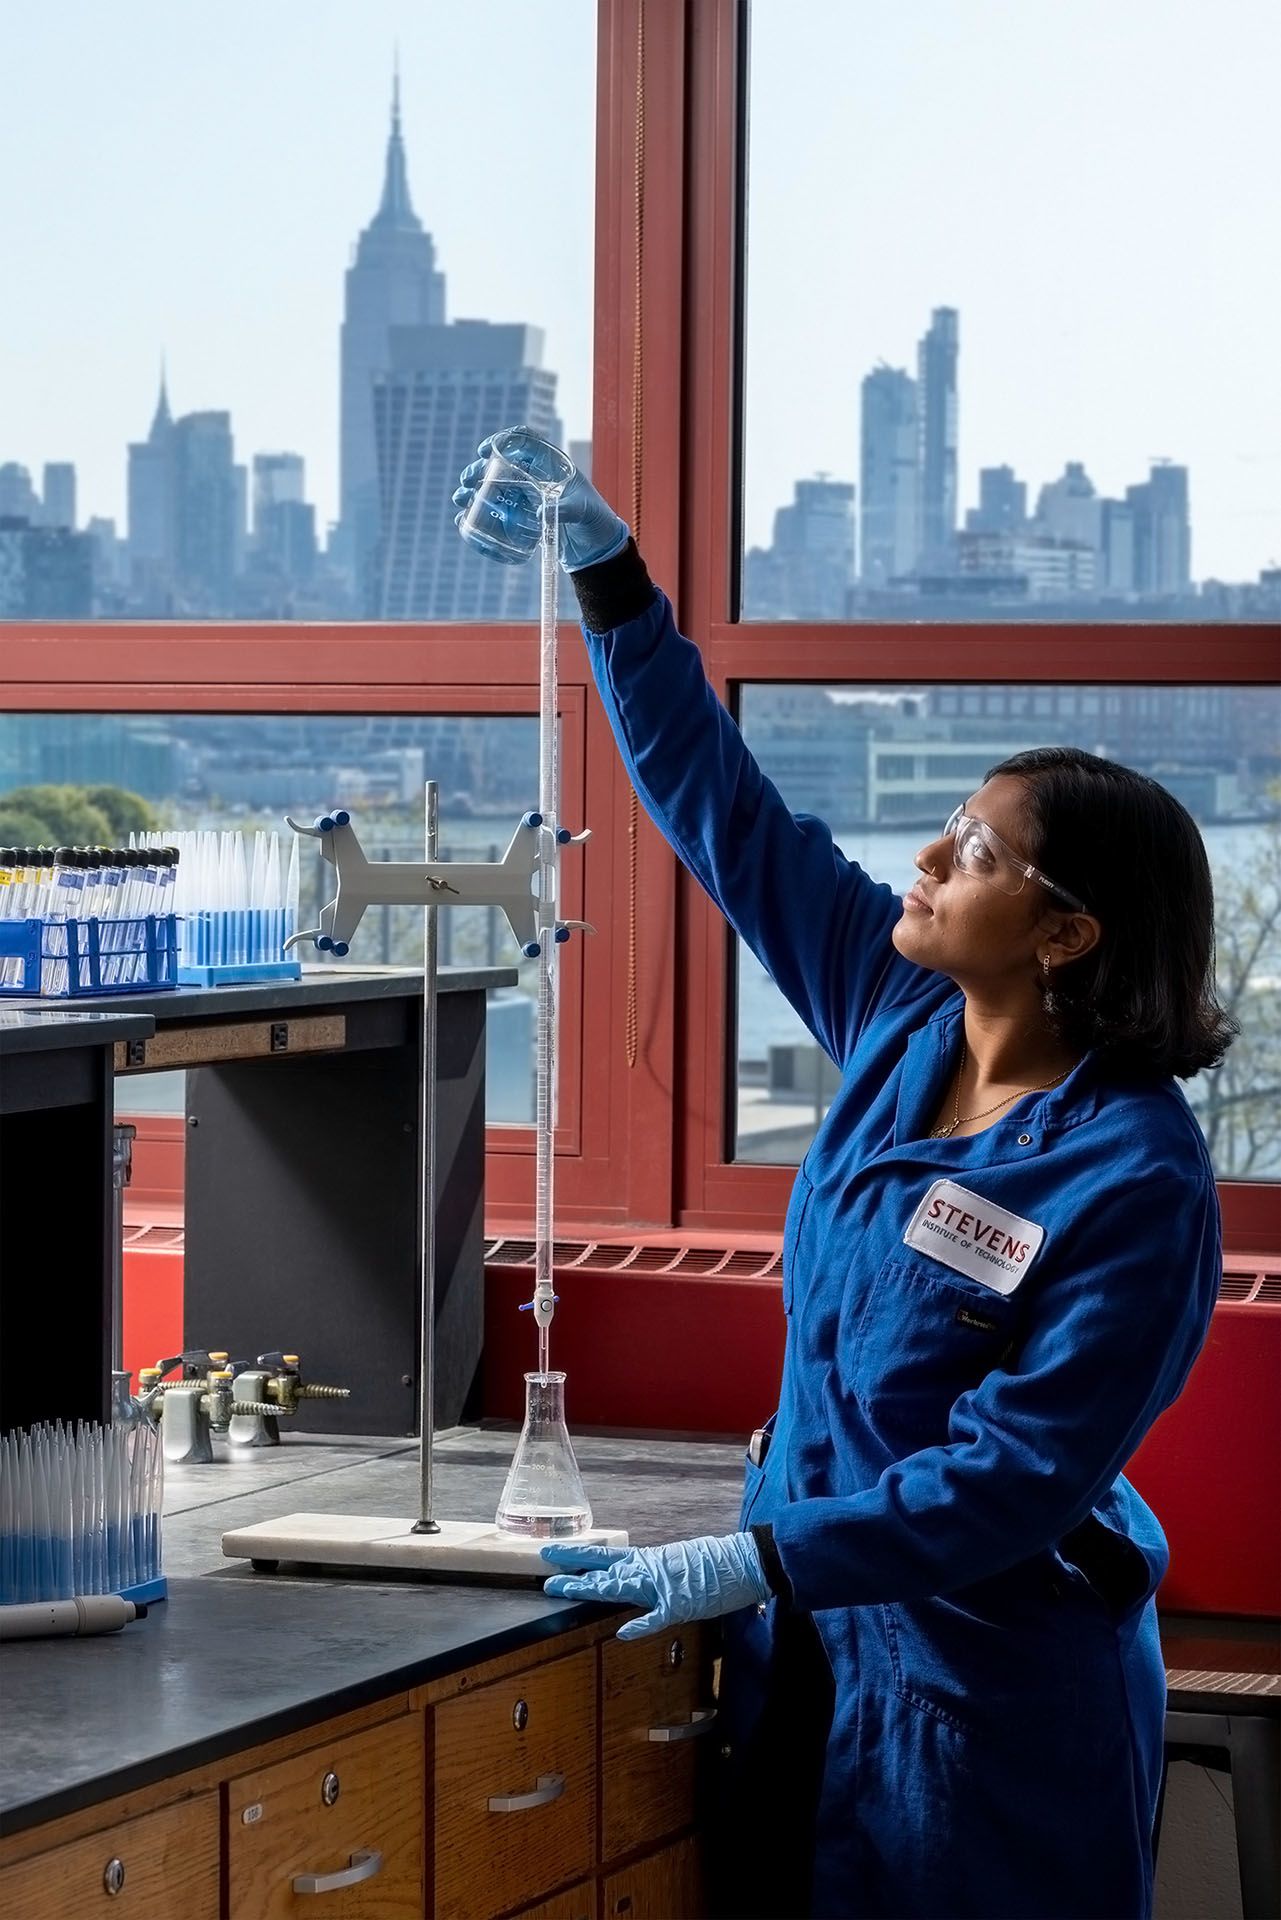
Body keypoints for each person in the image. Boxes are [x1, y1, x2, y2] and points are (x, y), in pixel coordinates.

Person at [455, 430, 1236, 1920]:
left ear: (1063, 933)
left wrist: (753, 1558)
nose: (927, 861)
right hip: (806, 1649)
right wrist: (607, 574)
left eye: (975, 851)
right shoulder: (895, 1018)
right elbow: (719, 807)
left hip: (986, 1685)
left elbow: (1014, 1476)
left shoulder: (1134, 1179)